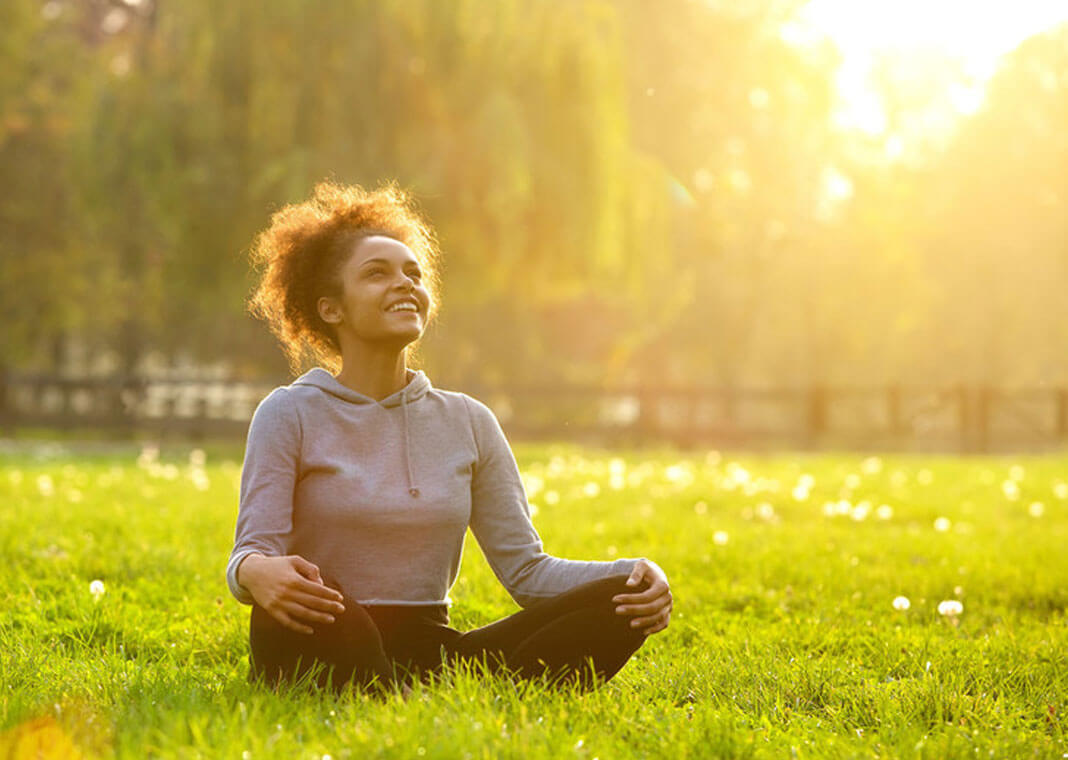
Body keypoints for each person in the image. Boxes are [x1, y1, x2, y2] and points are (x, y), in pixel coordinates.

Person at [227, 181, 672, 693]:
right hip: (322, 628)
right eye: (377, 274)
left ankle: (399, 688)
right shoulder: (288, 412)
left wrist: (638, 572)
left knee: (621, 598)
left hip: (431, 648)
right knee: (327, 608)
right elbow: (252, 553)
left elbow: (527, 571)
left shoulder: (469, 420)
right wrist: (255, 574)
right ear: (332, 309)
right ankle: (392, 688)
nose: (404, 284)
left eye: (413, 273)